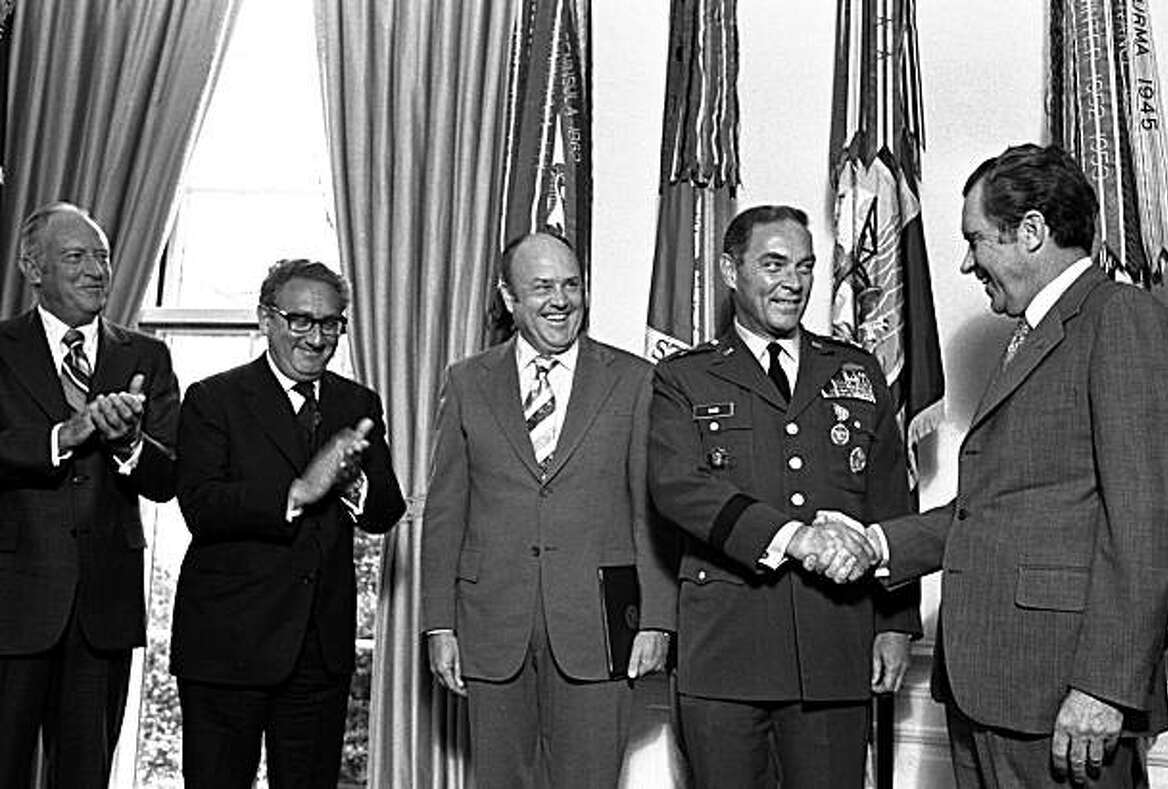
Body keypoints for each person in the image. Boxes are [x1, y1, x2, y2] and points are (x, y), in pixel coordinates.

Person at [814, 144, 1168, 787]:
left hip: (1064, 703)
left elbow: (1150, 526)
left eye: (976, 240)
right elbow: (992, 508)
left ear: (1033, 232)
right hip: (990, 692)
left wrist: (1104, 687)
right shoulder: (1032, 337)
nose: (967, 262)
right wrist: (878, 541)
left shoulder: (1122, 321)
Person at [646, 204, 921, 788]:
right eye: (773, 265)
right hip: (727, 654)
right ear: (729, 270)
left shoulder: (857, 370)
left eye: (804, 266)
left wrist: (895, 622)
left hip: (835, 647)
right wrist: (792, 538)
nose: (792, 282)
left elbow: (891, 500)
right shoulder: (684, 378)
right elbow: (680, 488)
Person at [420, 231, 676, 788]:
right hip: (490, 625)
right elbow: (445, 514)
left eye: (571, 285)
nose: (560, 300)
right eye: (541, 287)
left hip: (599, 627)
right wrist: (439, 623)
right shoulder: (467, 381)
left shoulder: (635, 380)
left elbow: (650, 511)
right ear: (509, 299)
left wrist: (657, 618)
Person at [170, 259, 406, 787]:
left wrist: (351, 482)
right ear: (265, 320)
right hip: (227, 648)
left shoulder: (357, 402)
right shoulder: (214, 398)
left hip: (318, 653)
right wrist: (300, 491)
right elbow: (202, 507)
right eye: (300, 320)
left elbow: (386, 511)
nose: (316, 337)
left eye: (330, 323)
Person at [0, 202, 180, 787]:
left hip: (103, 609)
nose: (96, 270)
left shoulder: (146, 358)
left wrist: (130, 443)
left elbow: (170, 477)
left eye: (101, 256)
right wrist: (66, 434)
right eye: (75, 257)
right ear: (33, 267)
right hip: (12, 607)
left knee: (84, 774)